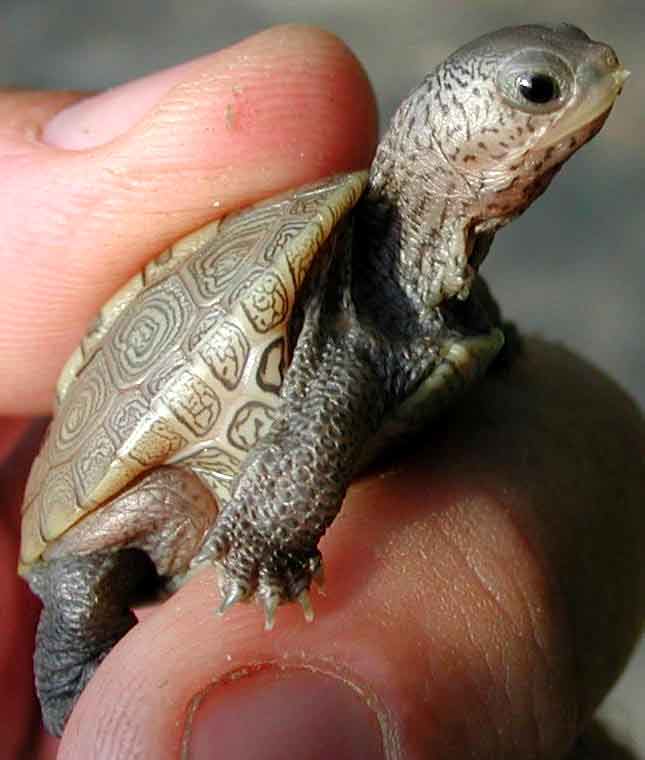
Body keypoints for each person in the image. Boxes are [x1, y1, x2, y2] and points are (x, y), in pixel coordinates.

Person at [1, 25, 643, 760]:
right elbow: (324, 405)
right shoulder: (348, 315)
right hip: (125, 486)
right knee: (81, 598)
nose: (593, 83)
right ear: (457, 141)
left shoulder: (427, 299)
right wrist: (266, 543)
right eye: (537, 93)